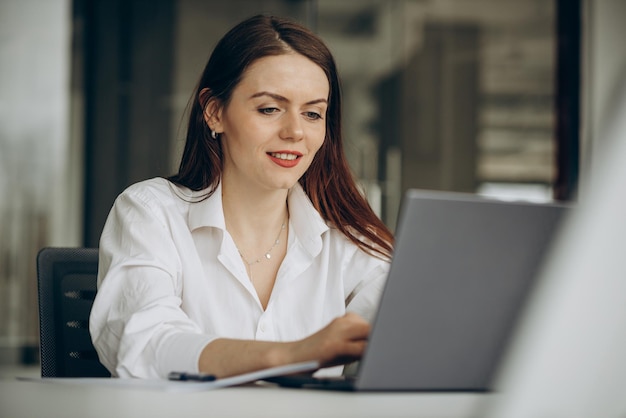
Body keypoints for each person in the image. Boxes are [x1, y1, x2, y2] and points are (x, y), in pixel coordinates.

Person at [89, 14, 394, 379]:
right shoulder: (151, 212)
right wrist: (292, 355)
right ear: (215, 112)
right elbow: (145, 343)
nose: (295, 131)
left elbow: (409, 327)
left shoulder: (342, 235)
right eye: (269, 109)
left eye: (313, 113)